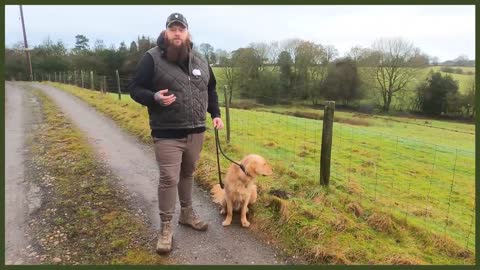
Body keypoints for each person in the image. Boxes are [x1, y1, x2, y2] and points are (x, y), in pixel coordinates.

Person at [129, 12, 224, 254]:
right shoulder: (151, 58)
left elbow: (210, 89)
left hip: (196, 131)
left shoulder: (201, 60)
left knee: (188, 173)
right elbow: (135, 88)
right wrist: (153, 97)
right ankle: (166, 228)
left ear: (187, 32)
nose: (177, 33)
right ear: (166, 32)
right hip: (167, 132)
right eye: (173, 29)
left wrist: (215, 113)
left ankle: (187, 214)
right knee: (169, 178)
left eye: (181, 28)